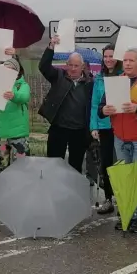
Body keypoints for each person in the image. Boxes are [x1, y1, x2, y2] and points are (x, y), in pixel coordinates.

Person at [99, 48, 137, 233]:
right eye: (125, 60)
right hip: (120, 138)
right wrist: (104, 111)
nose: (126, 63)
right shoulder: (116, 82)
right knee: (124, 180)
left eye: (131, 60)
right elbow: (101, 107)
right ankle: (127, 215)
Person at [39, 37, 95, 173]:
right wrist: (51, 47)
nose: (73, 68)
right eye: (70, 65)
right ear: (66, 65)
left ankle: (72, 193)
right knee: (53, 165)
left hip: (79, 131)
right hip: (59, 128)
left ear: (83, 67)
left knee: (75, 167)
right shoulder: (59, 76)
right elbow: (44, 67)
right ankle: (53, 191)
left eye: (76, 66)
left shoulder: (90, 83)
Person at [0, 57, 31, 171]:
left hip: (18, 134)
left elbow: (24, 97)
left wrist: (14, 96)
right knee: (1, 167)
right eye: (5, 69)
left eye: (12, 69)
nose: (8, 72)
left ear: (18, 71)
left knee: (21, 168)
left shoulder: (22, 85)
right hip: (0, 134)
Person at [90, 44, 122, 214]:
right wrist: (93, 125)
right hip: (104, 126)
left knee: (122, 163)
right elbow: (95, 103)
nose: (108, 59)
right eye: (106, 56)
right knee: (107, 164)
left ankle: (125, 199)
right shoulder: (99, 78)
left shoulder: (124, 76)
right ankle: (108, 198)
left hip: (121, 125)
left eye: (111, 56)